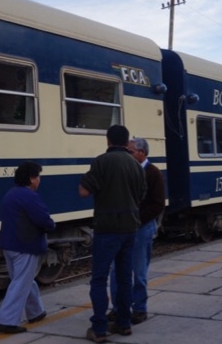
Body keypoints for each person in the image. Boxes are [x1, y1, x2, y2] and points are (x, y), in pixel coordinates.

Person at [79, 125, 146, 343]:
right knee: (125, 278)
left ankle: (99, 328)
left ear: (108, 140)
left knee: (99, 279)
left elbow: (84, 191)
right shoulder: (135, 165)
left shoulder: (101, 161)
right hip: (130, 228)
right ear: (127, 143)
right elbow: (141, 194)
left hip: (107, 228)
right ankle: (124, 323)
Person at [108, 138, 165, 325]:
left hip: (141, 228)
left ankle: (139, 309)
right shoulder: (125, 170)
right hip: (122, 227)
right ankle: (118, 308)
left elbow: (158, 204)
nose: (128, 154)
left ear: (142, 153)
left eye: (131, 151)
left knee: (138, 271)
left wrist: (137, 218)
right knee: (116, 270)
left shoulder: (153, 172)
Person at [0, 161, 56, 334]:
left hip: (9, 245)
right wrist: (51, 225)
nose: (39, 180)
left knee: (24, 280)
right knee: (20, 283)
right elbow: (42, 218)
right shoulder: (29, 196)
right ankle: (7, 321)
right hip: (25, 245)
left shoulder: (11, 194)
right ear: (31, 179)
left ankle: (35, 311)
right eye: (38, 176)